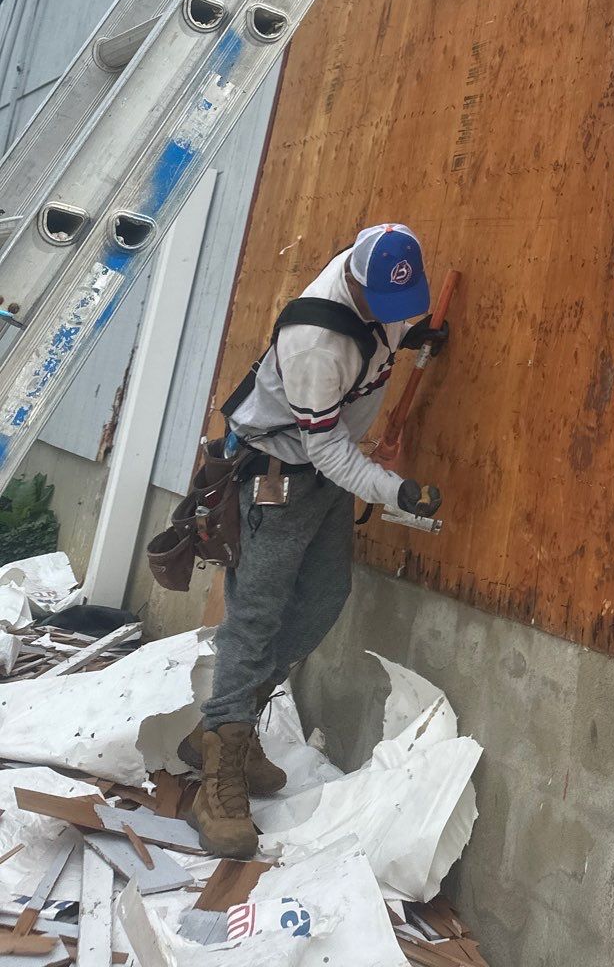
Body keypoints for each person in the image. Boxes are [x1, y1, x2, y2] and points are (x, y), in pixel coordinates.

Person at [185, 223, 448, 859]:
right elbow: (325, 449)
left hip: (321, 473)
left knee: (325, 596)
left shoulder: (383, 280)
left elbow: (381, 332)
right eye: (383, 310)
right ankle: (218, 773)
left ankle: (227, 723)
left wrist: (408, 334)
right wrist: (394, 490)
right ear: (353, 279)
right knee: (256, 614)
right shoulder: (315, 345)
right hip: (283, 473)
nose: (393, 317)